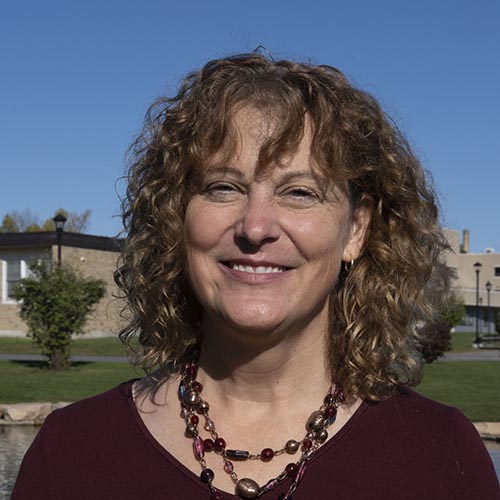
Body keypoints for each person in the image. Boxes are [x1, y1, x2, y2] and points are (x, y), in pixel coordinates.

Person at [12, 52, 499, 500]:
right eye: (223, 187)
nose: (256, 226)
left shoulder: (442, 458)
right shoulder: (70, 455)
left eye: (300, 193)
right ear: (176, 217)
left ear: (355, 228)